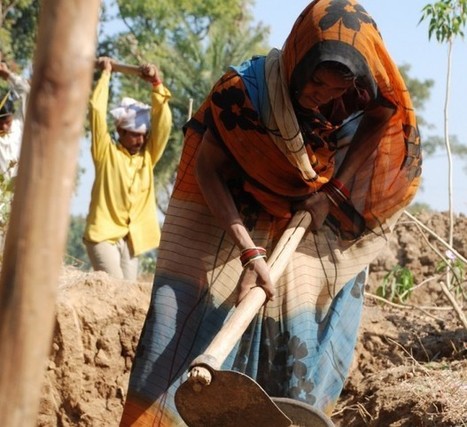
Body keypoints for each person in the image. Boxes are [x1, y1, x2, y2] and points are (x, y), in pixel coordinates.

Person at [120, 0, 422, 425]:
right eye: (316, 84)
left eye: (336, 91)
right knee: (179, 319)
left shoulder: (355, 90)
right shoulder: (242, 94)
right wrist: (249, 252)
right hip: (226, 210)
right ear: (299, 59)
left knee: (298, 325)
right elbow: (209, 172)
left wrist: (332, 193)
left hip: (310, 213)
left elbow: (382, 116)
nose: (324, 98)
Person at [83, 57, 172, 281]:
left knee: (128, 294)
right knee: (115, 288)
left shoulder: (148, 158)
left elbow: (163, 125)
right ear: (120, 132)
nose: (140, 140)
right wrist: (106, 74)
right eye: (134, 134)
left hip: (132, 239)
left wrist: (156, 84)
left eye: (143, 135)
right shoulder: (105, 152)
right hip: (103, 236)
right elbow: (95, 110)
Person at [0, 61, 30, 180]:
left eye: (7, 122)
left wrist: (7, 75)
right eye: (0, 124)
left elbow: (26, 91)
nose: (4, 128)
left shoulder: (19, 124)